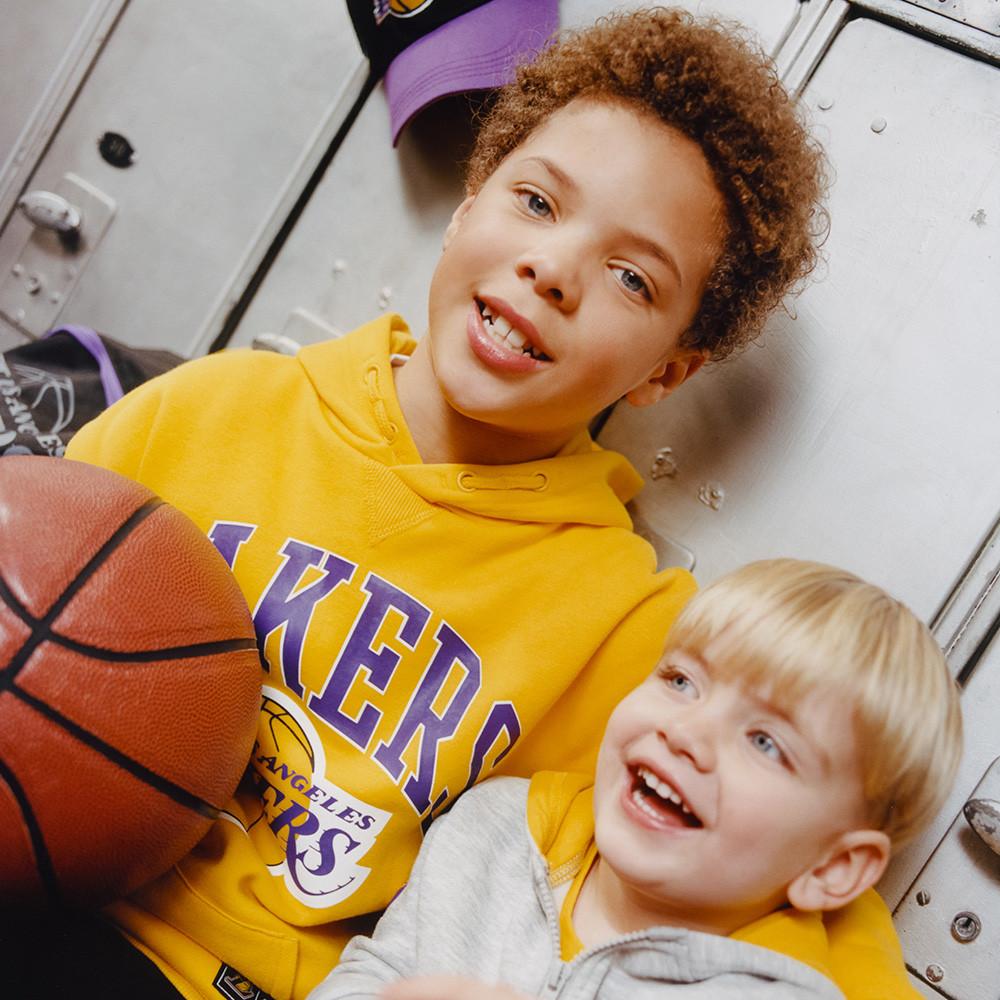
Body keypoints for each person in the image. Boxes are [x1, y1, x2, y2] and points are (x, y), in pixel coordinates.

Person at [54, 7, 902, 998]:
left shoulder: (625, 634)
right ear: (468, 208)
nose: (553, 268)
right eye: (537, 203)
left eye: (631, 276)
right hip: (46, 867)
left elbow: (813, 904)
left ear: (665, 372)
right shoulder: (215, 409)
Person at [309, 559, 963, 1000]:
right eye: (681, 680)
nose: (686, 731)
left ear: (833, 867)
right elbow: (374, 967)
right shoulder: (496, 829)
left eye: (766, 742)